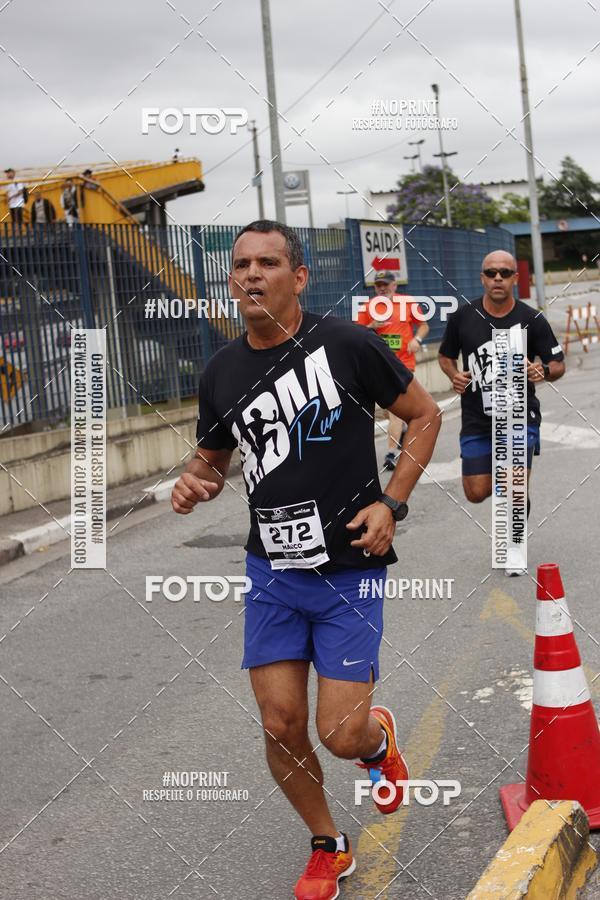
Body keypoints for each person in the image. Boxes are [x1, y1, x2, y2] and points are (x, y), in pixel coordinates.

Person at [171, 220, 441, 899]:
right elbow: (211, 458)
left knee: (340, 733)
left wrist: (393, 503)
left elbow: (426, 414)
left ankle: (377, 742)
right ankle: (328, 843)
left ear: (299, 277)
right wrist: (192, 480)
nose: (251, 275)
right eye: (241, 265)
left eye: (267, 262)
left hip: (348, 568)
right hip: (272, 572)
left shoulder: (347, 346)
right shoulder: (221, 371)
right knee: (280, 723)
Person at [438, 249, 565, 575]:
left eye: (505, 273)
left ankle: (514, 543)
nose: (497, 278)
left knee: (512, 485)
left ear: (515, 278)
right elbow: (445, 356)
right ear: (482, 277)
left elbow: (557, 363)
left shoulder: (531, 319)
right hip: (477, 420)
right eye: (491, 272)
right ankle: (512, 493)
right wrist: (454, 375)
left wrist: (542, 371)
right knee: (477, 492)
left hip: (520, 416)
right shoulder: (462, 318)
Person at [357, 271, 429, 470]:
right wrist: (370, 326)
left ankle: (391, 453)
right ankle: (404, 429)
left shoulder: (406, 303)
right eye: (379, 284)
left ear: (394, 286)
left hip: (404, 363)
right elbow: (356, 334)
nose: (382, 288)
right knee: (396, 411)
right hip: (378, 365)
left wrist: (417, 339)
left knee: (395, 410)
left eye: (386, 284)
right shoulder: (368, 307)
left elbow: (423, 326)